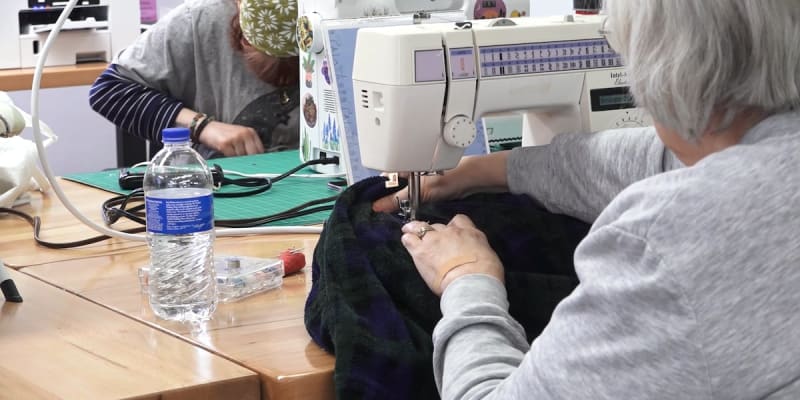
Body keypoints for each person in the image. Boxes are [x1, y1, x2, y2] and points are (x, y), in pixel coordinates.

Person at [373, 0, 800, 398]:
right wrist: (476, 172)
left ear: (663, 67)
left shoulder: (665, 241)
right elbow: (653, 158)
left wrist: (466, 281)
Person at [89, 0, 300, 160]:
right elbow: (109, 91)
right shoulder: (198, 19)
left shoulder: (327, 20)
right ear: (241, 35)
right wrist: (201, 126)